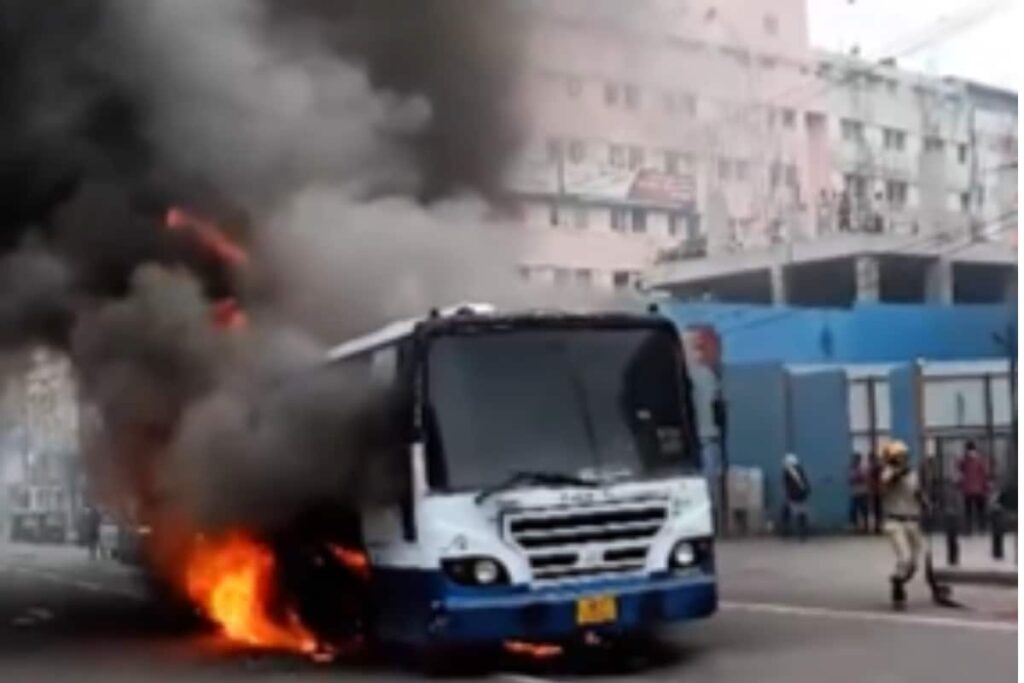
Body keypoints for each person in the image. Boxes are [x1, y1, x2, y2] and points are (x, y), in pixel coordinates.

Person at [879, 440, 925, 610]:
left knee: (914, 563)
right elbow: (885, 485)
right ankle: (898, 589)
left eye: (904, 456)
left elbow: (916, 491)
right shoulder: (887, 473)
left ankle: (899, 579)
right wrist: (898, 473)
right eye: (899, 457)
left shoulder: (912, 474)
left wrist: (924, 502)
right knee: (904, 558)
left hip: (912, 521)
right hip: (895, 522)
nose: (903, 459)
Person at [957, 441, 990, 534]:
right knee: (978, 511)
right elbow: (985, 474)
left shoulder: (965, 460)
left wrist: (960, 485)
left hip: (971, 490)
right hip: (976, 490)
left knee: (971, 511)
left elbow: (959, 472)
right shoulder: (979, 460)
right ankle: (980, 528)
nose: (969, 453)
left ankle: (972, 529)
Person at [781, 453, 811, 541]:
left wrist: (788, 495)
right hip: (802, 495)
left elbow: (787, 486)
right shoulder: (800, 470)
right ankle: (802, 534)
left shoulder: (787, 472)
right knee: (801, 514)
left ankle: (786, 532)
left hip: (793, 496)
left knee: (787, 512)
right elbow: (805, 483)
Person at [848, 452, 870, 532]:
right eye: (854, 459)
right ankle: (856, 526)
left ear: (859, 460)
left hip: (863, 491)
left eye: (856, 459)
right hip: (855, 492)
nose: (855, 461)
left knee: (864, 510)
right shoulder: (852, 469)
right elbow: (850, 480)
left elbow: (864, 478)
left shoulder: (863, 468)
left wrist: (857, 478)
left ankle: (865, 527)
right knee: (853, 511)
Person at [867, 450, 884, 534]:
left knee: (877, 510)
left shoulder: (875, 467)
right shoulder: (878, 467)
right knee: (877, 510)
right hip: (877, 491)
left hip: (876, 491)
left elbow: (871, 480)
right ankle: (878, 527)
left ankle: (878, 527)